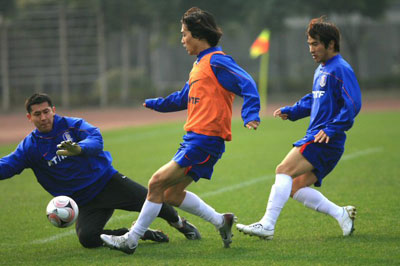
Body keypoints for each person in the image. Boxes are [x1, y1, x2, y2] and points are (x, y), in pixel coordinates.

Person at [100, 7, 261, 254]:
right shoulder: (200, 64)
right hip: (195, 139)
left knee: (155, 183)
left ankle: (131, 240)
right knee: (172, 194)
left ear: (199, 35)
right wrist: (157, 104)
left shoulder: (217, 60)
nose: (182, 39)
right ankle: (222, 221)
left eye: (185, 34)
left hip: (205, 140)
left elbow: (247, 83)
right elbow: (183, 98)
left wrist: (250, 114)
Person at [0, 93, 201, 249]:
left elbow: (95, 138)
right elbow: (8, 165)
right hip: (83, 201)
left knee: (156, 203)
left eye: (46, 112)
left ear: (53, 110)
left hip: (107, 182)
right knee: (88, 239)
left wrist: (80, 148)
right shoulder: (30, 148)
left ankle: (181, 225)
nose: (43, 117)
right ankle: (133, 233)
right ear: (29, 117)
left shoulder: (72, 125)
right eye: (37, 114)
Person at [236, 16, 362, 239]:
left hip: (324, 138)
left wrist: (332, 128)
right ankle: (341, 214)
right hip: (323, 138)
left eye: (315, 44)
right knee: (294, 188)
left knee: (282, 170)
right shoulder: (323, 69)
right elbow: (314, 99)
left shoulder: (340, 69)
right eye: (309, 45)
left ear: (331, 44)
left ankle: (267, 225)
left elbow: (353, 103)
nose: (311, 49)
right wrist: (292, 111)